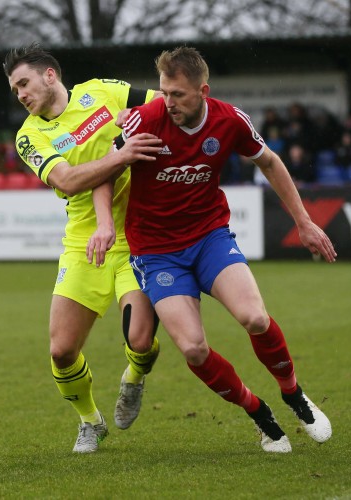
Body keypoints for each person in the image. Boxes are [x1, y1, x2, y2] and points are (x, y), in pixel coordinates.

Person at [104, 46, 335, 453]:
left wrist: (304, 221)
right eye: (163, 92)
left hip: (209, 237)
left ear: (203, 91)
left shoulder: (231, 120)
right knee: (193, 347)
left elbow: (270, 162)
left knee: (255, 317)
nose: (167, 102)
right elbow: (105, 173)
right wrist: (106, 223)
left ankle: (293, 393)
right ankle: (259, 414)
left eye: (178, 95)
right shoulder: (145, 120)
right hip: (156, 252)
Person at [3, 43, 164, 453]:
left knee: (141, 343)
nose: (20, 94)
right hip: (83, 243)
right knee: (61, 351)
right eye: (15, 89)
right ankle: (91, 421)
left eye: (24, 82)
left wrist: (138, 123)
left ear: (50, 75)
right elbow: (69, 181)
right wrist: (122, 153)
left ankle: (134, 377)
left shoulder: (102, 91)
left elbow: (163, 104)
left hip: (139, 236)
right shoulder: (30, 135)